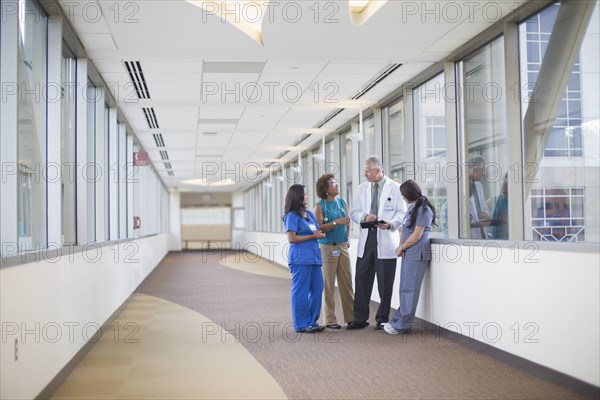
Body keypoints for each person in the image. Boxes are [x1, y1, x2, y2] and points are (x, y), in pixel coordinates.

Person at [348, 156, 406, 330]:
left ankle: (382, 318)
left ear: (377, 170)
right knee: (362, 279)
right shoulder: (361, 188)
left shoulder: (395, 188)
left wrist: (390, 224)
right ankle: (360, 318)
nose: (365, 174)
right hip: (367, 238)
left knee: (385, 282)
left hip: (386, 237)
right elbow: (354, 212)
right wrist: (365, 217)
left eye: (367, 171)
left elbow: (402, 213)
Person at [384, 179, 436, 335]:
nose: (402, 197)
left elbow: (417, 234)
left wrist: (401, 247)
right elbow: (404, 230)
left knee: (410, 290)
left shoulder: (424, 209)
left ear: (408, 194)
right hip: (409, 252)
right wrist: (401, 247)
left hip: (417, 252)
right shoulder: (412, 208)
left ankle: (403, 325)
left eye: (402, 194)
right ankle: (398, 321)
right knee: (404, 288)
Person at [283, 184, 326, 333]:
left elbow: (316, 230)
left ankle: (311, 321)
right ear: (297, 197)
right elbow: (292, 238)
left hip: (313, 258)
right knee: (301, 292)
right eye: (304, 194)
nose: (307, 196)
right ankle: (301, 324)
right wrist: (313, 236)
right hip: (300, 259)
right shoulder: (291, 216)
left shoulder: (309, 214)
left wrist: (319, 234)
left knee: (317, 289)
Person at [314, 173, 353, 329]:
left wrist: (348, 238)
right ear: (325, 188)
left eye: (336, 182)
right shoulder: (320, 206)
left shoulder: (343, 202)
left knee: (347, 282)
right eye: (332, 183)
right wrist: (336, 222)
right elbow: (318, 227)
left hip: (342, 246)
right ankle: (330, 320)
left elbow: (348, 222)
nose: (336, 185)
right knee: (329, 284)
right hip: (327, 247)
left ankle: (351, 317)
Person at [468, 155, 491, 239]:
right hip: (470, 237)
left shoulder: (478, 185)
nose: (483, 173)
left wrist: (486, 214)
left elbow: (484, 207)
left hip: (482, 236)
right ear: (475, 167)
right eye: (482, 170)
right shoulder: (462, 187)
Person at [490, 174, 509, 239]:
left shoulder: (514, 204)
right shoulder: (493, 200)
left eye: (506, 184)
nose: (504, 185)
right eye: (503, 182)